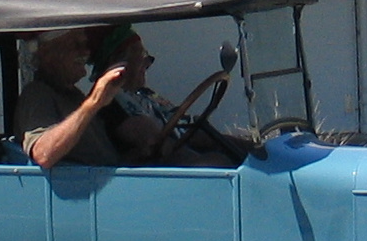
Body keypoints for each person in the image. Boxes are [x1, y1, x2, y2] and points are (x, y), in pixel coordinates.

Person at [87, 24, 234, 167]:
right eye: (141, 55)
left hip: (183, 155)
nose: (148, 63)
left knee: (240, 151)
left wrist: (232, 144)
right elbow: (154, 143)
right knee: (219, 162)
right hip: (158, 173)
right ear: (117, 62)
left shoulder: (146, 94)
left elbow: (183, 124)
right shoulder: (108, 102)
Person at [13, 29, 125, 168]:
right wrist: (93, 103)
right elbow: (43, 154)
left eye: (85, 45)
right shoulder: (37, 94)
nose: (85, 52)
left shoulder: (73, 95)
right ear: (47, 53)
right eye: (75, 45)